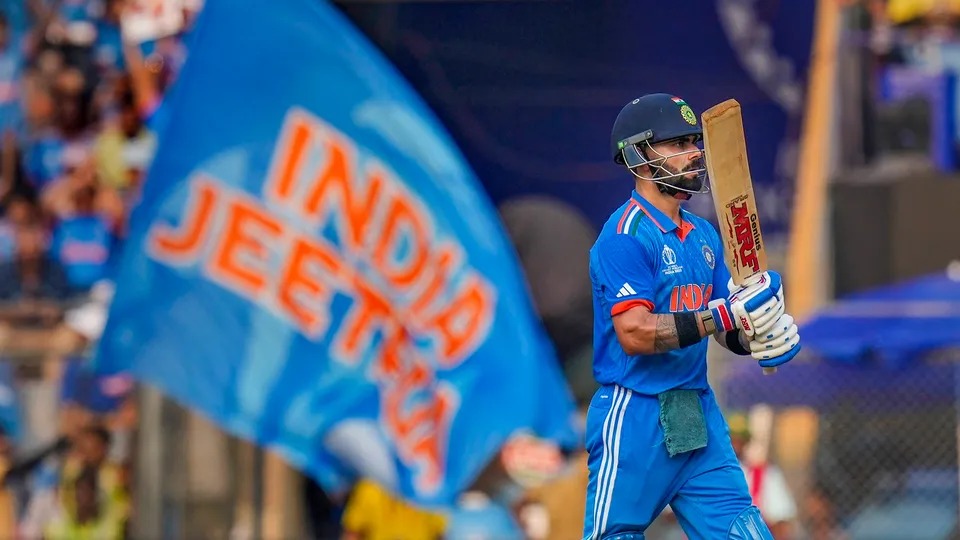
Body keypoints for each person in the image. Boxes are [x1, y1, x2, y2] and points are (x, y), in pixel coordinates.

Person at [581, 93, 802, 540]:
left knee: (743, 531)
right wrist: (723, 313)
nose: (695, 152)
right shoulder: (624, 237)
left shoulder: (703, 235)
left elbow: (724, 326)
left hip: (695, 406)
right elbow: (634, 332)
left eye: (694, 142)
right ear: (639, 156)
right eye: (678, 143)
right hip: (636, 411)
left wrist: (756, 332)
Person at [728, 413, 798, 539]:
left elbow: (780, 521)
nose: (734, 446)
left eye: (739, 441)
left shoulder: (765, 475)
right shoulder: (704, 476)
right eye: (731, 440)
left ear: (746, 443)